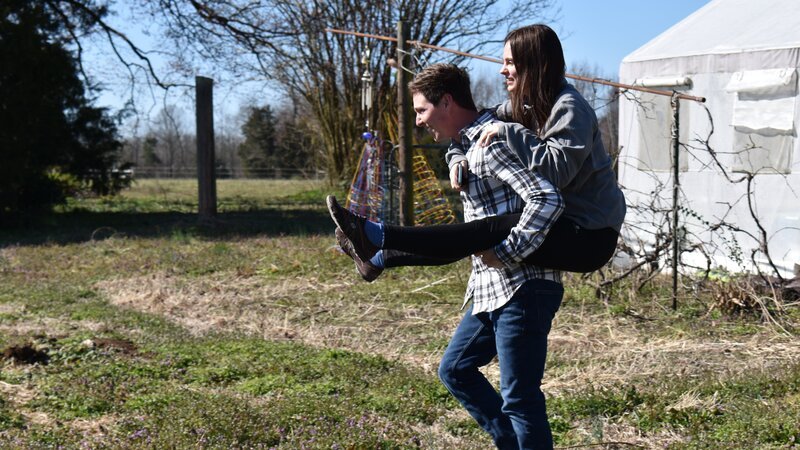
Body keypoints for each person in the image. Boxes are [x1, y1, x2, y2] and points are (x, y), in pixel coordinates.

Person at [329, 62, 563, 449]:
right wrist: (456, 154)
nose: (418, 121)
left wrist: (508, 252)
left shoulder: (492, 143)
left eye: (421, 110)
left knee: (520, 400)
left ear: (447, 102)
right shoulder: (468, 145)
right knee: (455, 369)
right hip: (491, 289)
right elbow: (465, 145)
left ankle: (375, 241)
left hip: (523, 286)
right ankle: (376, 250)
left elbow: (546, 199)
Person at [330, 24, 625, 283]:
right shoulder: (527, 105)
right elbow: (472, 125)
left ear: (534, 64)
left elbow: (557, 172)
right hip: (562, 222)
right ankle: (378, 257)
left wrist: (509, 132)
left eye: (509, 62)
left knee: (491, 228)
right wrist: (457, 156)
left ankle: (377, 235)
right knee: (480, 233)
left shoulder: (569, 109)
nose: (502, 70)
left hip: (590, 235)